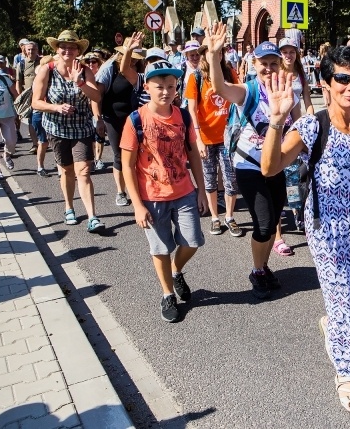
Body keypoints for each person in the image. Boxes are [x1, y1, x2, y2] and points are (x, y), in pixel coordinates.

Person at [261, 45, 350, 414]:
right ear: (325, 83)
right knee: (340, 303)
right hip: (329, 229)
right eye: (342, 78)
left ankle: (335, 325)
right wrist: (276, 121)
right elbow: (270, 168)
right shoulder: (311, 126)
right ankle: (347, 375)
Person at [206, 24, 302, 300]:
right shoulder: (248, 91)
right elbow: (220, 88)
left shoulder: (287, 90)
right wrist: (214, 56)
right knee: (262, 222)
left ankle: (264, 266)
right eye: (264, 63)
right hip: (248, 166)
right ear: (254, 64)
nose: (269, 68)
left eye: (274, 63)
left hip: (277, 163)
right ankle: (257, 270)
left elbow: (298, 124)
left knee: (273, 219)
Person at [120, 60, 208, 323]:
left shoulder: (183, 116)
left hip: (184, 191)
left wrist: (202, 190)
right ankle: (167, 292)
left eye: (171, 86)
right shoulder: (136, 119)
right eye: (159, 86)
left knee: (192, 241)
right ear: (147, 86)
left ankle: (176, 270)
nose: (166, 91)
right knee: (159, 247)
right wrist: (137, 204)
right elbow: (127, 164)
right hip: (151, 195)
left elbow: (193, 156)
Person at [31, 29, 105, 233]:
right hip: (57, 128)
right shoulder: (47, 70)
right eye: (63, 46)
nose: (67, 50)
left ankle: (92, 217)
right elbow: (35, 102)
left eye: (72, 47)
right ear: (57, 48)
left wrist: (79, 82)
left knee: (84, 171)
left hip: (81, 128)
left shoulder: (84, 70)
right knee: (66, 170)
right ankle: (69, 207)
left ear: (78, 50)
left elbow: (97, 97)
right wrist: (56, 107)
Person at [185, 42, 244, 238]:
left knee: (230, 179)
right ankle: (214, 218)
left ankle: (229, 216)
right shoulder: (195, 78)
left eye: (219, 53)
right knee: (209, 180)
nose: (216, 56)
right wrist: (198, 139)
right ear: (204, 56)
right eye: (211, 53)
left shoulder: (229, 73)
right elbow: (192, 110)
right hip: (206, 137)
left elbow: (238, 99)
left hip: (228, 136)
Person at [93, 33, 145, 207]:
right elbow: (96, 95)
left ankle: (136, 189)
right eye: (131, 58)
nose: (133, 62)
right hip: (113, 117)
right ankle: (120, 192)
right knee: (119, 156)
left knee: (136, 155)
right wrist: (97, 118)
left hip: (135, 117)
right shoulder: (110, 68)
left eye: (136, 60)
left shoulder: (140, 70)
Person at [277, 37, 314, 242]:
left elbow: (307, 100)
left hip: (298, 126)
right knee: (284, 171)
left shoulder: (300, 73)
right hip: (282, 128)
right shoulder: (277, 74)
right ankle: (283, 214)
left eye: (292, 52)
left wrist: (312, 121)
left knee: (297, 173)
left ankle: (297, 213)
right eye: (285, 52)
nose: (288, 55)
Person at [15, 41, 49, 175]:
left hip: (43, 96)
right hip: (29, 96)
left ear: (37, 50)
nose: (31, 51)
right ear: (24, 51)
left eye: (33, 49)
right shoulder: (21, 64)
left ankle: (41, 141)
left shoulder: (43, 62)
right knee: (31, 120)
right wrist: (19, 98)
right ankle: (36, 143)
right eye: (28, 49)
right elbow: (19, 82)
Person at [83, 52, 107, 172]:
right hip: (85, 112)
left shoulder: (102, 77)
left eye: (93, 61)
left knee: (100, 135)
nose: (91, 64)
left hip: (99, 110)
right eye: (88, 62)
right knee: (89, 137)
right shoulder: (82, 76)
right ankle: (91, 159)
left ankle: (98, 158)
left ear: (98, 63)